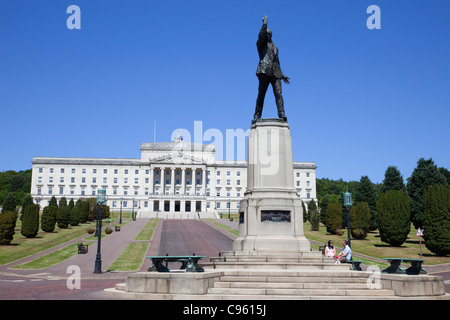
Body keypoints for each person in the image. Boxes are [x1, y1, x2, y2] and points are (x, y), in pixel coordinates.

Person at [253, 15, 290, 122]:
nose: (267, 35)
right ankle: (257, 115)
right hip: (264, 71)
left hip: (275, 74)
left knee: (279, 94)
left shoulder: (275, 48)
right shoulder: (261, 45)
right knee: (261, 94)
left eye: (269, 34)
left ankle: (282, 114)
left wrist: (282, 75)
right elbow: (261, 36)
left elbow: (277, 63)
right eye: (266, 34)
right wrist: (264, 24)